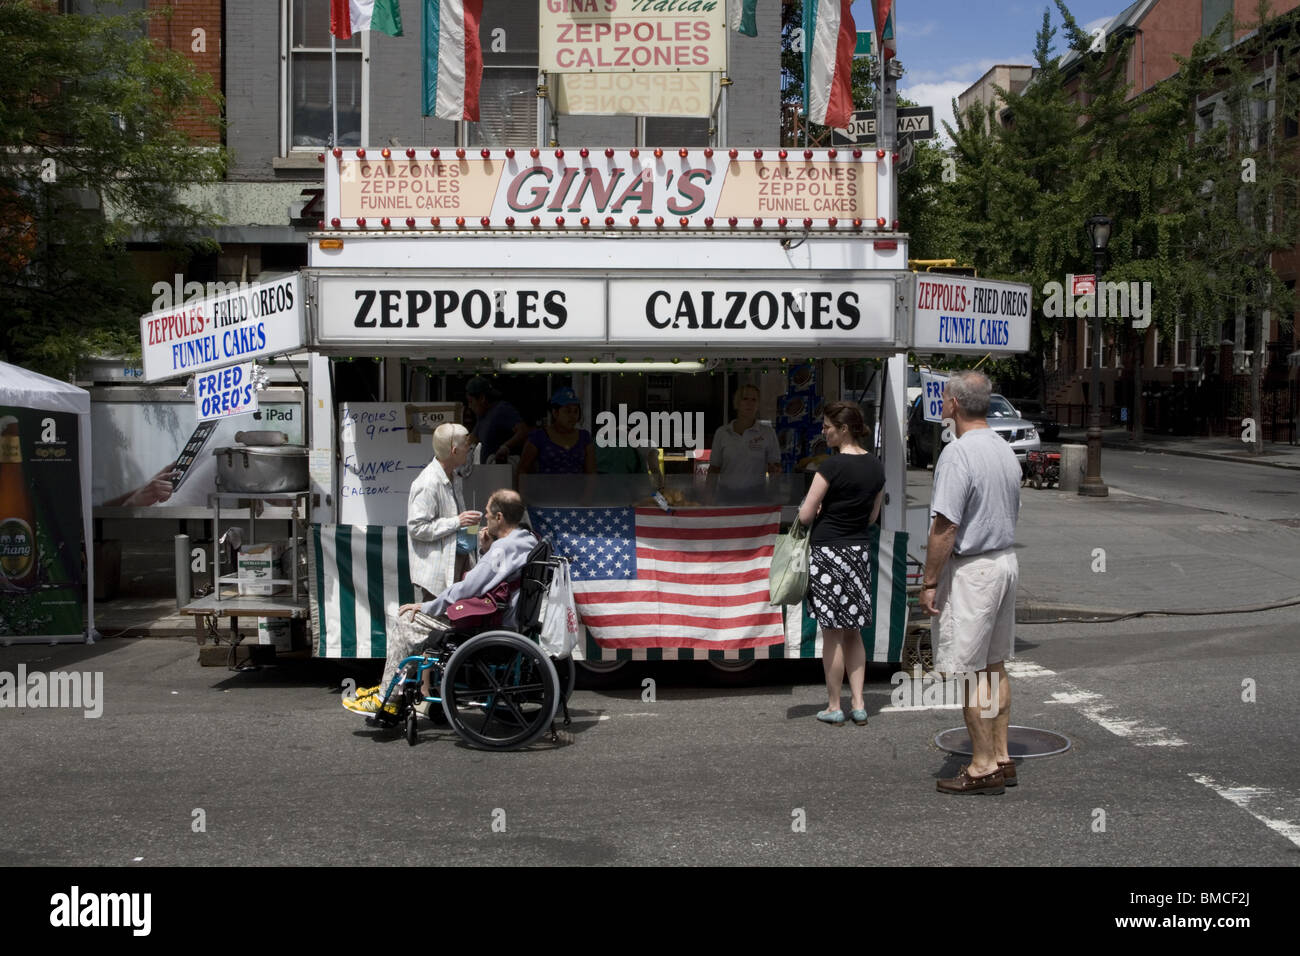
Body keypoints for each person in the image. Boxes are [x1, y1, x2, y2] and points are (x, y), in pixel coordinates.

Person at [918, 370, 1022, 795]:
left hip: (974, 570)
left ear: (955, 404)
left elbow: (945, 526)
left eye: (944, 398)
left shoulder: (958, 453)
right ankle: (1001, 756)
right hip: (1005, 561)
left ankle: (981, 765)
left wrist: (928, 581)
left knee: (971, 672)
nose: (943, 404)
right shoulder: (1003, 448)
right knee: (995, 665)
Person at [344, 489, 536, 716]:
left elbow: (468, 588)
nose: (484, 518)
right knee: (418, 624)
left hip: (489, 625)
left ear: (499, 517)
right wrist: (486, 549)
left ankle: (388, 696)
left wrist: (426, 606)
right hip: (507, 619)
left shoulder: (503, 548)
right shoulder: (528, 540)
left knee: (408, 619)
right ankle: (394, 685)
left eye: (487, 513)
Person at [796, 401, 885, 727]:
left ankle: (835, 706)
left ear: (843, 429)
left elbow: (806, 514)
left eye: (827, 426)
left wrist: (819, 513)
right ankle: (859, 703)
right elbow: (873, 516)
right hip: (859, 552)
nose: (824, 431)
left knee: (831, 634)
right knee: (854, 632)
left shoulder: (829, 467)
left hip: (828, 552)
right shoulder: (876, 466)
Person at [406, 422, 481, 605]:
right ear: (454, 451)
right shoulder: (428, 483)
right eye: (466, 445)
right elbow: (416, 527)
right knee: (433, 629)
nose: (469, 449)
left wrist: (473, 530)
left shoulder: (454, 477)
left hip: (454, 567)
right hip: (434, 577)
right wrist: (457, 521)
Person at [707, 383, 781, 500]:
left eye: (754, 400)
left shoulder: (767, 433)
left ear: (758, 404)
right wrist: (708, 496)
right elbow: (714, 468)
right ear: (737, 403)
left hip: (757, 496)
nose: (749, 403)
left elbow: (775, 468)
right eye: (745, 398)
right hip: (726, 496)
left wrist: (775, 494)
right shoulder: (722, 433)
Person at [518, 387, 597, 475]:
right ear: (555, 412)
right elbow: (522, 470)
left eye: (576, 411)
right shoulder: (538, 437)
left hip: (578, 488)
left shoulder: (585, 438)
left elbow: (591, 474)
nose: (572, 416)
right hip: (546, 488)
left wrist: (589, 489)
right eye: (567, 411)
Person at [465, 376, 529, 464]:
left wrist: (505, 447)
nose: (469, 406)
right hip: (489, 471)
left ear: (482, 398)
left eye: (471, 401)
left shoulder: (502, 409)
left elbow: (523, 431)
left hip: (502, 471)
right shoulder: (482, 417)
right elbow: (472, 439)